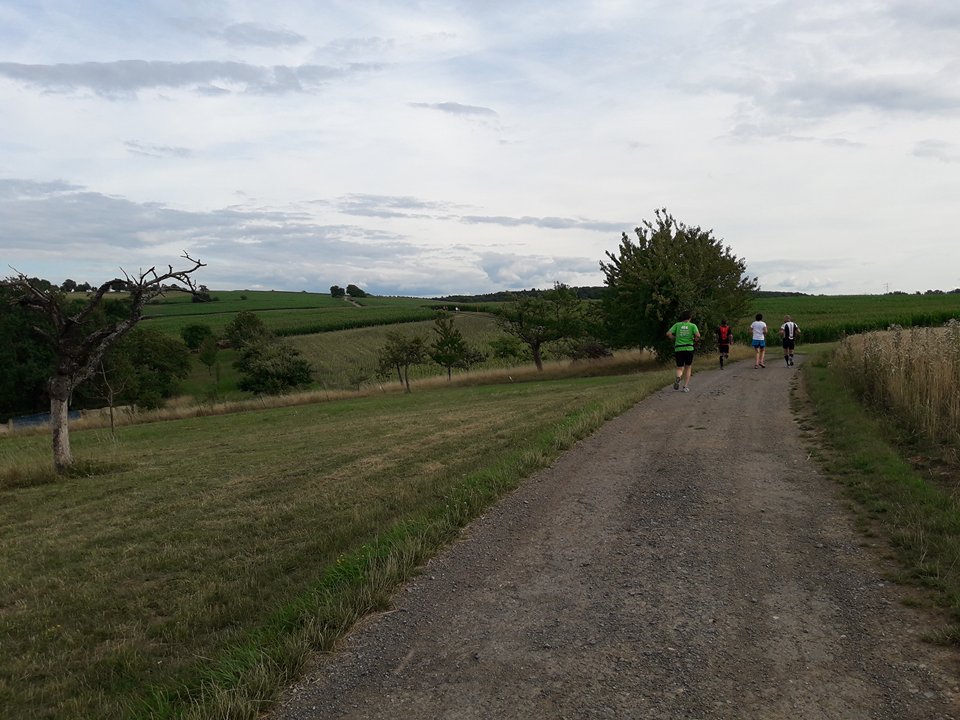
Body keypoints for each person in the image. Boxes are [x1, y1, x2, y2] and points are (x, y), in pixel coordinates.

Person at [666, 310, 701, 392]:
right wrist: (695, 340)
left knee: (679, 367)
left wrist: (674, 338)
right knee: (688, 367)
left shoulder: (677, 325)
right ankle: (685, 386)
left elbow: (668, 334)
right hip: (689, 348)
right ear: (690, 318)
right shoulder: (692, 325)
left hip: (679, 349)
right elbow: (698, 335)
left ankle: (678, 377)